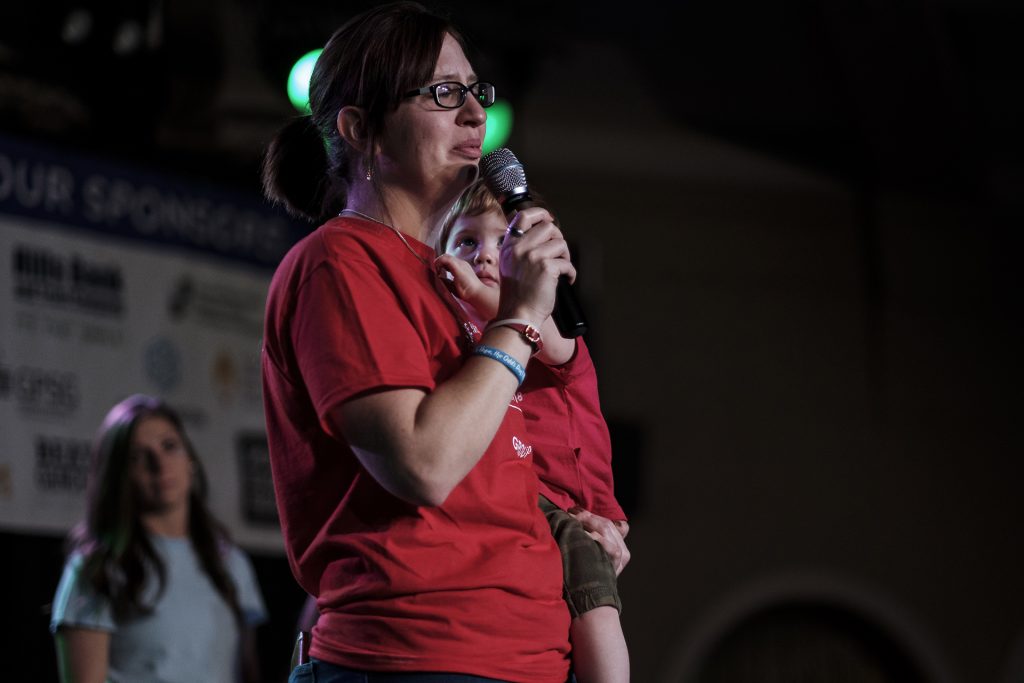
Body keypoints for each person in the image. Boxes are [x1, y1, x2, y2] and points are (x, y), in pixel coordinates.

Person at [259, 2, 627, 681]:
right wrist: (517, 318)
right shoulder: (339, 263)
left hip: (524, 661)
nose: (474, 115)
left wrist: (577, 518)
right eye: (442, 93)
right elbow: (423, 462)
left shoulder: (448, 280)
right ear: (361, 128)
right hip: (414, 658)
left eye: (474, 91)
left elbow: (505, 462)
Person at [434, 180, 630, 683]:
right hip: (520, 500)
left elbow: (544, 341)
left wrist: (474, 291)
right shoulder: (472, 333)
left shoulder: (551, 328)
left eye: (503, 243)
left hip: (572, 506)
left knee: (593, 601)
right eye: (466, 242)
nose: (484, 256)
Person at [50, 394, 268, 683]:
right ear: (119, 475)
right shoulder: (96, 570)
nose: (159, 463)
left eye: (169, 446)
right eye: (139, 456)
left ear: (190, 458)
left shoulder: (231, 563)